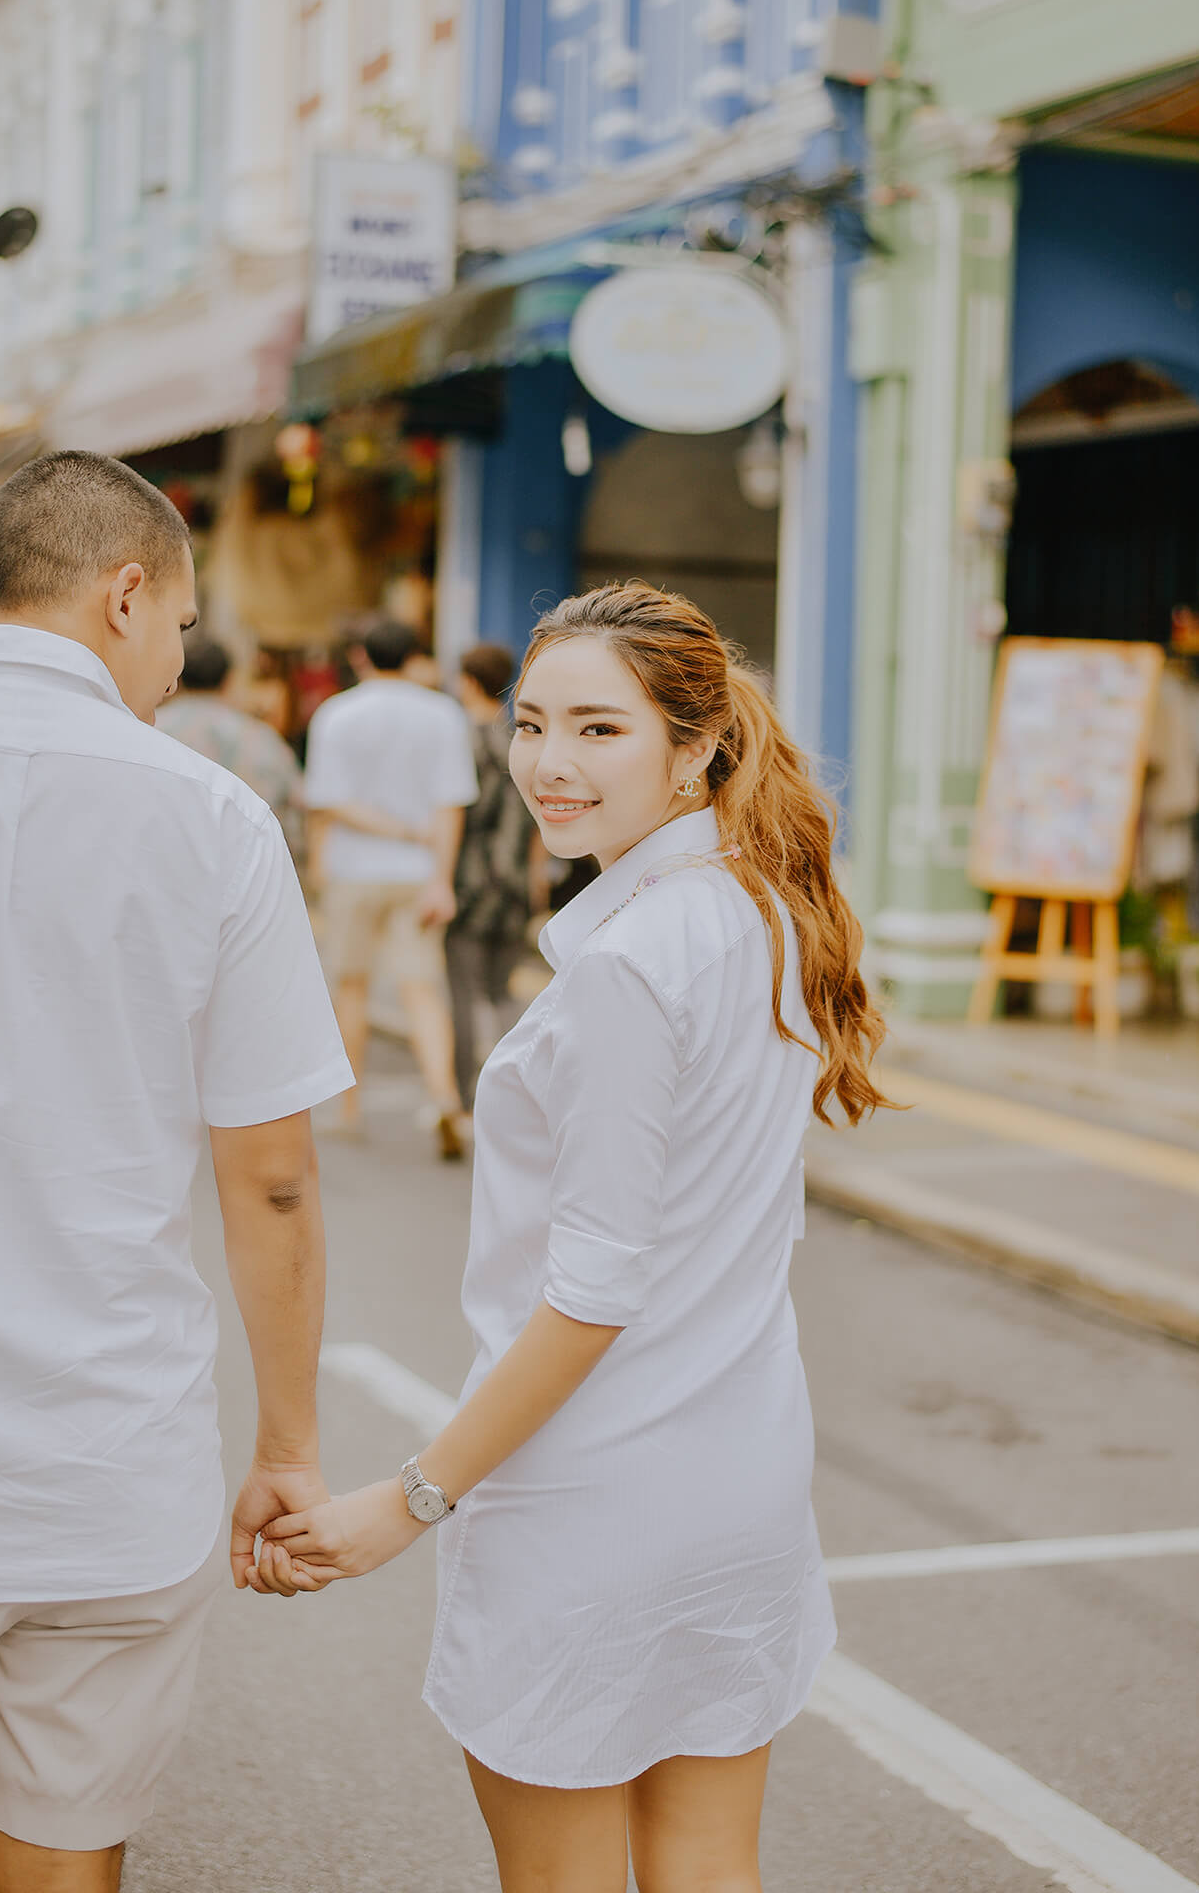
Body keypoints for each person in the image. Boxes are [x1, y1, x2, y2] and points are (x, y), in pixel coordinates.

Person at [250, 581, 892, 1893]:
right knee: (709, 1866)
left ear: (695, 745)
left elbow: (592, 1292)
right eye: (532, 723)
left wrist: (410, 1500)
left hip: (590, 1499)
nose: (547, 762)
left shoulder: (631, 964)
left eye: (598, 730)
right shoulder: (763, 911)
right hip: (738, 1480)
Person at [0, 451, 353, 1893]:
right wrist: (284, 1449)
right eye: (175, 629)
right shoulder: (211, 818)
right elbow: (269, 1177)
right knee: (69, 1861)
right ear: (124, 593)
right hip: (106, 1479)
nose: (171, 668)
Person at [306, 616, 478, 1159]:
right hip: (416, 874)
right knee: (422, 990)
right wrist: (441, 879)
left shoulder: (336, 714)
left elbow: (327, 801)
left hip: (354, 871)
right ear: (412, 658)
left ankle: (349, 1108)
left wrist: (320, 865)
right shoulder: (443, 714)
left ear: (361, 658)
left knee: (351, 987)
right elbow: (451, 806)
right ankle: (446, 1099)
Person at [446, 642, 545, 1109]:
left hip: (469, 881)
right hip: (516, 882)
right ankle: (517, 1088)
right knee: (503, 989)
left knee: (464, 993)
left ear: (467, 681)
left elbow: (456, 817)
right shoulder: (522, 740)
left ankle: (469, 1098)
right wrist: (536, 882)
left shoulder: (461, 739)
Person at [158, 631, 305, 854]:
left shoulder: (151, 730)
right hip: (244, 863)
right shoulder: (261, 737)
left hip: (168, 860)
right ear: (229, 680)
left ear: (178, 678)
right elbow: (296, 801)